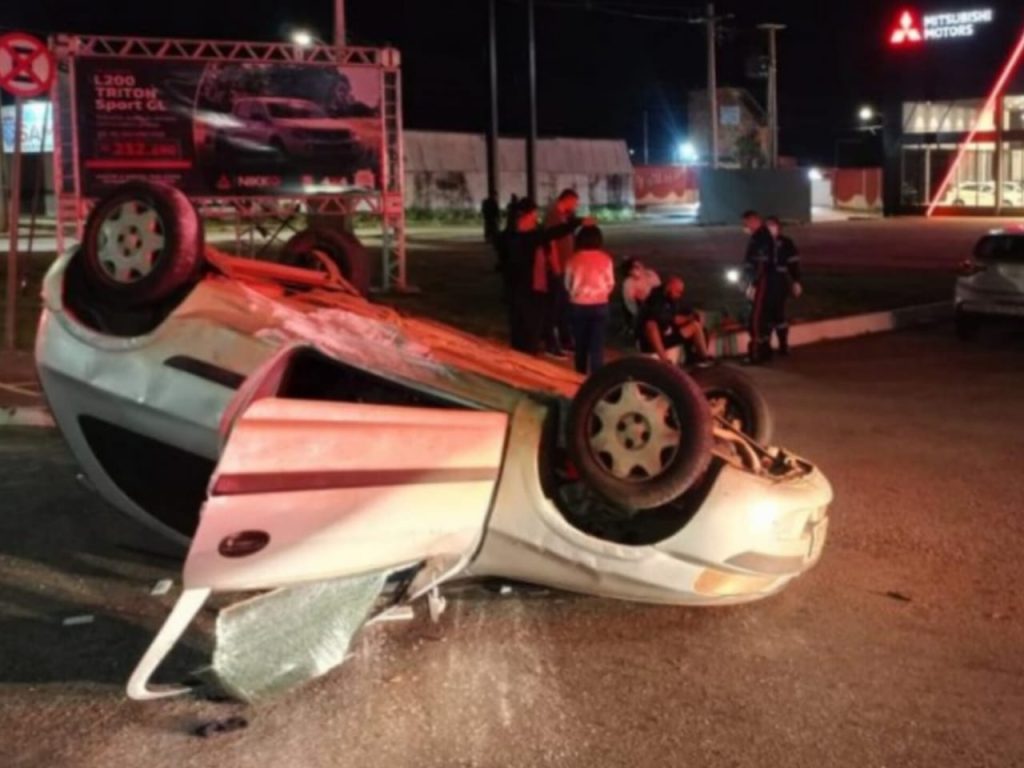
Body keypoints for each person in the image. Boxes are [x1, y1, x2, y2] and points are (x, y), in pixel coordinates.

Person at [502, 198, 584, 354]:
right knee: (530, 325)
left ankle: (525, 352)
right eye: (534, 214)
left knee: (521, 326)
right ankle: (528, 355)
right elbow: (553, 233)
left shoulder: (512, 236)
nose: (536, 217)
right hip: (530, 288)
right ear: (527, 215)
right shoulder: (529, 238)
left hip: (519, 289)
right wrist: (577, 222)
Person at [564, 225, 615, 374]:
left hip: (578, 305)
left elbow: (568, 283)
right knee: (597, 347)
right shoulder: (605, 259)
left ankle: (579, 375)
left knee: (580, 345)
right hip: (600, 304)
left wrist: (575, 293)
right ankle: (596, 379)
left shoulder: (573, 259)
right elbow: (610, 283)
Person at [637, 275, 713, 366]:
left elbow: (674, 317)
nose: (679, 295)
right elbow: (664, 317)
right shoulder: (654, 299)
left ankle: (703, 357)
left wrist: (690, 317)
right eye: (677, 291)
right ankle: (664, 360)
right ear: (669, 286)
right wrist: (678, 319)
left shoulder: (672, 301)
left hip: (668, 336)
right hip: (652, 340)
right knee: (651, 324)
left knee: (695, 325)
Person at [543, 189, 580, 356]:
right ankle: (551, 342)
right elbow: (550, 241)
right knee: (554, 307)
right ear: (568, 200)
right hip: (558, 268)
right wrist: (556, 265)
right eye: (574, 203)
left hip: (566, 267)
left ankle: (566, 340)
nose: (575, 207)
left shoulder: (563, 215)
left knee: (564, 305)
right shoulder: (553, 215)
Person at [740, 210, 778, 364]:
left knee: (755, 317)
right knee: (764, 317)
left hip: (762, 280)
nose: (745, 226)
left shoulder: (761, 237)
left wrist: (753, 283)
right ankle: (765, 350)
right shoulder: (762, 236)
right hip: (765, 280)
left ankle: (755, 353)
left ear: (753, 220)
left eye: (746, 223)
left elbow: (760, 263)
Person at [764, 216, 803, 356]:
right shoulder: (761, 243)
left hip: (780, 282)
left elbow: (794, 264)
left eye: (773, 225)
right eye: (767, 225)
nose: (770, 228)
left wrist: (796, 281)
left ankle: (783, 345)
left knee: (779, 314)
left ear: (779, 227)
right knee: (765, 316)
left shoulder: (786, 243)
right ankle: (765, 346)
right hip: (764, 283)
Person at [620, 257, 662, 329]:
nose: (636, 269)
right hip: (643, 307)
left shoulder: (651, 274)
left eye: (638, 266)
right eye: (633, 267)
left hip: (656, 302)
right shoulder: (628, 282)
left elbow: (659, 287)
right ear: (629, 270)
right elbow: (629, 302)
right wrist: (637, 314)